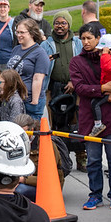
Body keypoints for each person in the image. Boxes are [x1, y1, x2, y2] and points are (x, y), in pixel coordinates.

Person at [70, 23, 111, 210]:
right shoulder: (76, 62)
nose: (85, 42)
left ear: (98, 39)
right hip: (89, 118)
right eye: (82, 38)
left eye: (89, 38)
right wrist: (103, 89)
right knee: (93, 160)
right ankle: (95, 194)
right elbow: (79, 88)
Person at [40, 9, 85, 170]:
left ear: (69, 25)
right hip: (54, 89)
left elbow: (82, 64)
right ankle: (60, 159)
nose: (60, 26)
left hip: (75, 88)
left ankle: (81, 159)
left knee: (77, 124)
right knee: (57, 125)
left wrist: (74, 81)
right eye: (57, 23)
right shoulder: (46, 44)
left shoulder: (78, 43)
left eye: (63, 23)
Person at [13, 114, 66, 200]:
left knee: (19, 191)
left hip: (46, 186)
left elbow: (49, 177)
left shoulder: (45, 144)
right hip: (21, 181)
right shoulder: (14, 142)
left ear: (32, 130)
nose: (19, 137)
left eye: (23, 133)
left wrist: (24, 180)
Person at [8, 18, 50, 120]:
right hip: (14, 98)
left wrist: (34, 101)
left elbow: (38, 78)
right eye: (17, 32)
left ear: (31, 34)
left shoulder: (40, 53)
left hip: (29, 99)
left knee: (31, 132)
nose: (18, 35)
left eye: (22, 32)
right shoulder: (16, 49)